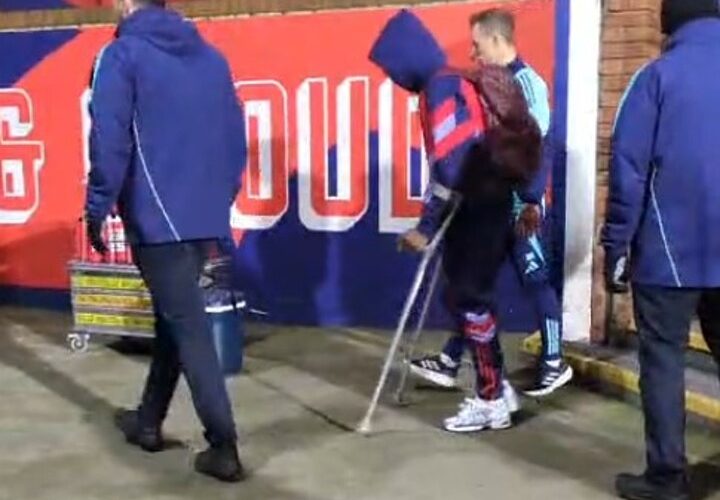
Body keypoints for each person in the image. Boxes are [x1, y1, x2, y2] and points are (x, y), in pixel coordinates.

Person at [85, 0, 247, 482]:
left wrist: (97, 208)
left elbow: (108, 140)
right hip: (205, 215)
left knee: (187, 326)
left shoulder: (121, 55)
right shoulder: (213, 58)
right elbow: (235, 138)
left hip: (157, 222)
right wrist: (221, 199)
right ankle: (149, 420)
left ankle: (224, 444)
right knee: (173, 319)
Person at [369, 9, 541, 432]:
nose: (393, 77)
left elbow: (451, 163)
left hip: (476, 210)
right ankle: (497, 389)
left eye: (392, 68)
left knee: (470, 300)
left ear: (404, 58)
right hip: (493, 202)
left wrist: (426, 227)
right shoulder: (456, 80)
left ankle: (488, 399)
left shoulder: (441, 87)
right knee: (472, 300)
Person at [410, 8, 573, 398]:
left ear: (497, 41)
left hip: (521, 207)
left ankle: (554, 363)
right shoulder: (483, 84)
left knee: (535, 280)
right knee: (472, 286)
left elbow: (540, 146)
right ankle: (452, 359)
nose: (473, 52)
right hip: (493, 205)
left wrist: (531, 201)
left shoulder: (527, 83)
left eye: (478, 43)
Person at [603, 1, 720, 499]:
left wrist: (617, 247)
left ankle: (667, 479)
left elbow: (629, 170)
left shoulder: (656, 78)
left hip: (668, 254)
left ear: (670, 20)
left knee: (664, 361)